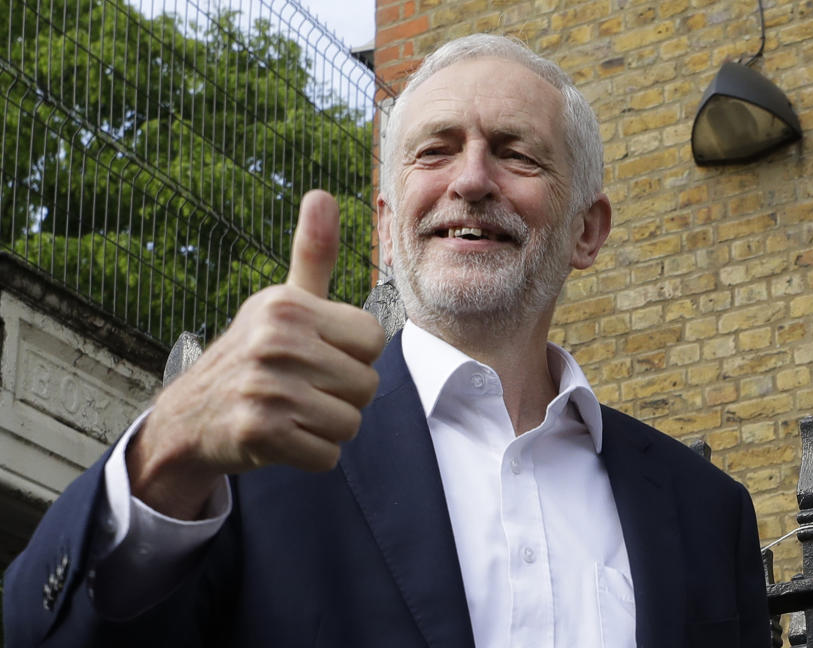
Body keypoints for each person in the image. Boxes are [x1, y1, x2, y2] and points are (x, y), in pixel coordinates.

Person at [4, 34, 769, 647]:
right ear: (386, 224)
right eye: (434, 151)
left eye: (515, 152)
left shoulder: (705, 513)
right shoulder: (249, 462)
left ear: (586, 231)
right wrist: (165, 446)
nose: (470, 179)